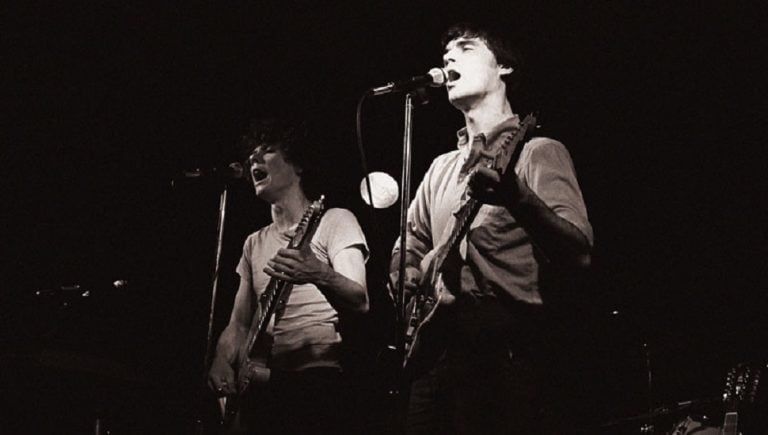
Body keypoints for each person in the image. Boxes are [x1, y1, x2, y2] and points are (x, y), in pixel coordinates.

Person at [390, 22, 594, 434]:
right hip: (435, 357)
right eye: (446, 52)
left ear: (504, 67)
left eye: (465, 49)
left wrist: (518, 198)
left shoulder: (536, 151)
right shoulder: (440, 168)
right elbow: (408, 243)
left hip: (507, 356)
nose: (448, 57)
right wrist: (406, 273)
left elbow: (580, 252)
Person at [207, 118, 369, 434]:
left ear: (297, 166)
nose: (253, 159)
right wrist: (221, 359)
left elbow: (360, 301)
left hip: (315, 381)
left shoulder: (335, 220)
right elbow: (239, 323)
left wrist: (318, 272)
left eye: (266, 152)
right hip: (262, 383)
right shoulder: (254, 242)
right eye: (250, 155)